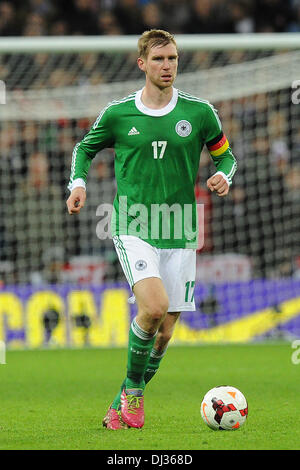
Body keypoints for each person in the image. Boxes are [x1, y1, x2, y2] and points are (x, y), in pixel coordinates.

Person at [66, 29, 237, 430]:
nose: (167, 66)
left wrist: (224, 175)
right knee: (154, 308)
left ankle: (119, 402)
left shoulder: (199, 113)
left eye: (173, 59)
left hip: (180, 227)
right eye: (159, 59)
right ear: (142, 63)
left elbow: (226, 155)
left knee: (165, 331)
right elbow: (84, 148)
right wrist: (78, 184)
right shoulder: (119, 113)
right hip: (134, 224)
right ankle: (135, 391)